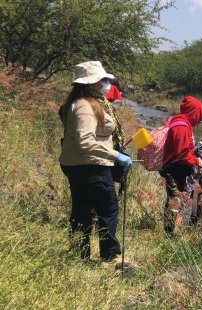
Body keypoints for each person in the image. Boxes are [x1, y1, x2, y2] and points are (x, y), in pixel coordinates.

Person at [58, 61, 132, 261]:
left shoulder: (83, 102)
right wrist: (116, 156)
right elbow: (86, 142)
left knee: (82, 208)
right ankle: (109, 255)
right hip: (91, 165)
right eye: (102, 80)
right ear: (91, 83)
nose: (106, 84)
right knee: (107, 209)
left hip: (81, 164)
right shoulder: (84, 106)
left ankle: (79, 254)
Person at [159, 96, 202, 235]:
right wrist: (196, 161)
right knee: (174, 201)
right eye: (199, 116)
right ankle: (169, 233)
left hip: (176, 169)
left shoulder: (181, 123)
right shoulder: (181, 127)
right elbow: (181, 154)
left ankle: (175, 230)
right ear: (194, 113)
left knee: (177, 200)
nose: (199, 120)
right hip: (176, 171)